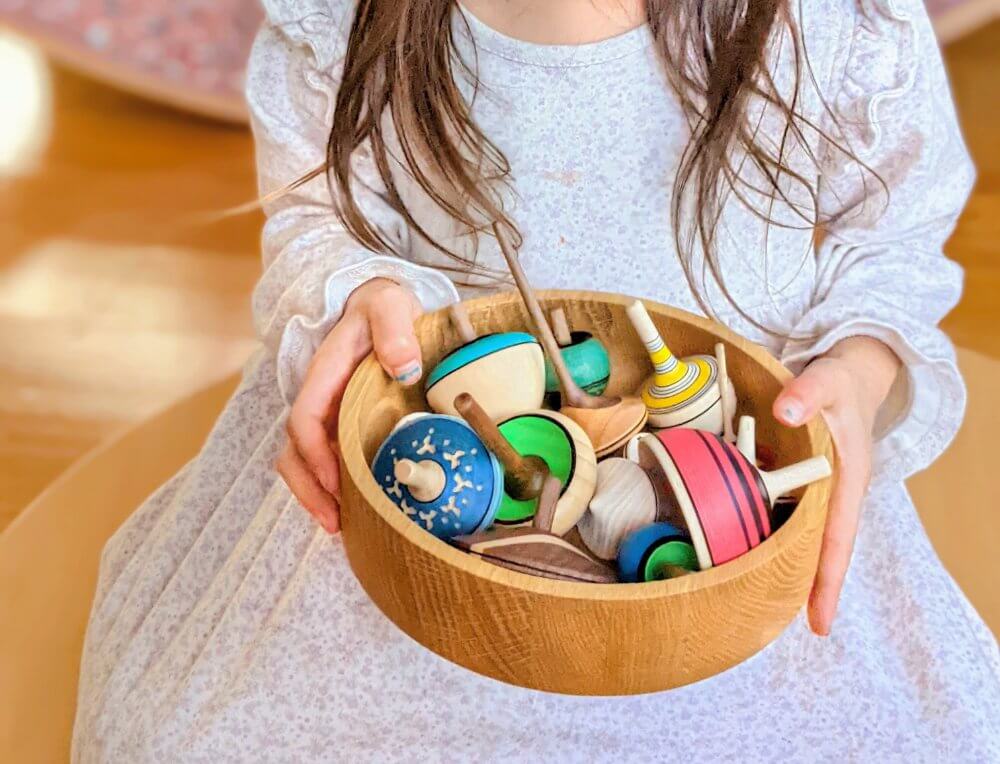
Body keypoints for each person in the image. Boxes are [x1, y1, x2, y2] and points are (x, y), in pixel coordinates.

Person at [71, 1, 1000, 760]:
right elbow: (319, 209)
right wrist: (359, 289)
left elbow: (895, 237)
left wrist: (864, 363)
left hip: (738, 514)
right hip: (421, 501)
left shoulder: (833, 23)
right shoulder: (343, 19)